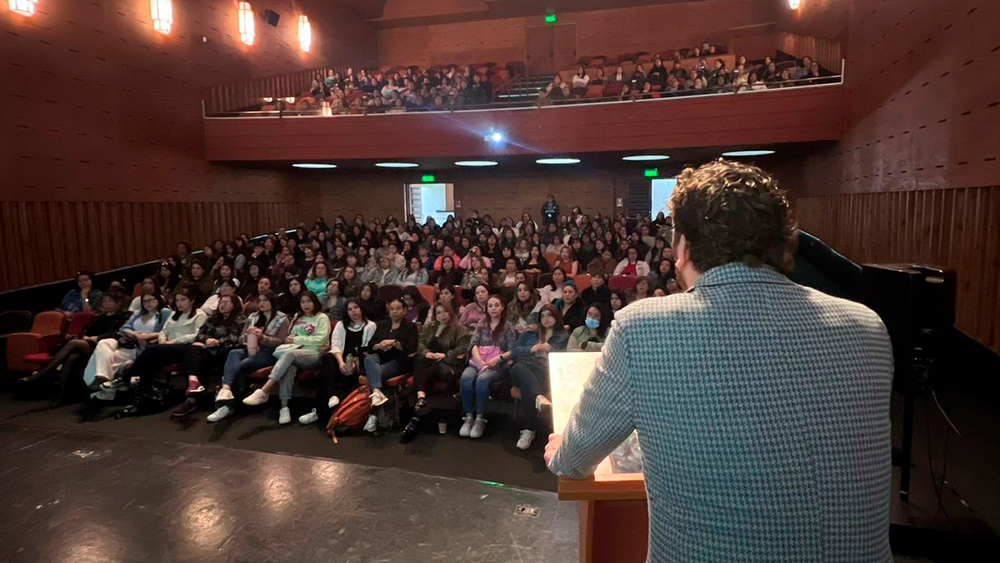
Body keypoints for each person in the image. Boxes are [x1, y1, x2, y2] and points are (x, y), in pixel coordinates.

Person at [545, 159, 894, 563]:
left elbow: (572, 461)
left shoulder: (644, 329)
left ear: (684, 249)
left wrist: (564, 448)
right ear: (788, 243)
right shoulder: (867, 327)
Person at [242, 290, 331, 426]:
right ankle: (284, 407)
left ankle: (264, 390)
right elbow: (290, 337)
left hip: (314, 353)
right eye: (302, 302)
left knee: (289, 355)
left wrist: (296, 340)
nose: (305, 305)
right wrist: (292, 339)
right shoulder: (297, 317)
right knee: (289, 364)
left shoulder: (321, 317)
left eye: (308, 301)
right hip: (295, 352)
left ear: (315, 302)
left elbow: (320, 340)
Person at [19, 293, 129, 399]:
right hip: (87, 344)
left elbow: (115, 334)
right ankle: (60, 396)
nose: (106, 304)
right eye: (104, 301)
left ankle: (42, 374)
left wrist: (91, 338)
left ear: (118, 303)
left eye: (110, 301)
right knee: (72, 357)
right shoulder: (99, 317)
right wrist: (81, 336)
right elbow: (86, 330)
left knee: (74, 343)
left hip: (103, 347)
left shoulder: (121, 317)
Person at [208, 291, 290, 423]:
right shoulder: (253, 317)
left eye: (265, 300)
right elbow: (240, 339)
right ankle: (226, 389)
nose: (261, 304)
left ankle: (228, 405)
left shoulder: (282, 319)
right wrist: (247, 336)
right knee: (234, 353)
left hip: (269, 352)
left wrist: (262, 337)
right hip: (251, 348)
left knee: (242, 365)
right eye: (259, 301)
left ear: (272, 302)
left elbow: (282, 342)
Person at [114, 285, 209, 394]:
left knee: (151, 350)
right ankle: (144, 390)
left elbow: (196, 335)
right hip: (169, 348)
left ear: (192, 300)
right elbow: (164, 331)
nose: (179, 303)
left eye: (183, 300)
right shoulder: (174, 314)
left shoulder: (199, 315)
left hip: (187, 348)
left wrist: (172, 342)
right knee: (151, 358)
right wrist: (163, 341)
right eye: (177, 300)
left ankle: (126, 377)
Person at [400, 303, 472, 442]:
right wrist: (428, 353)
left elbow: (463, 348)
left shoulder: (460, 329)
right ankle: (421, 400)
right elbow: (420, 344)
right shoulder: (430, 327)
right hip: (430, 362)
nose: (442, 315)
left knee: (425, 371)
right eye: (439, 313)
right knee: (420, 360)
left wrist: (445, 355)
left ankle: (417, 410)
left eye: (445, 312)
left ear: (450, 313)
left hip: (448, 365)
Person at [167, 294, 246, 417]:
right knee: (194, 353)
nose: (222, 305)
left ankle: (206, 396)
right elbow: (200, 334)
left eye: (226, 302)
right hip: (209, 350)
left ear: (234, 305)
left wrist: (214, 343)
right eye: (221, 302)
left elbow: (235, 339)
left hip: (226, 352)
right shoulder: (213, 318)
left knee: (201, 354)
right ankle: (193, 394)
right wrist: (207, 340)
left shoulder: (240, 319)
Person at [83, 293, 172, 399]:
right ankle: (101, 379)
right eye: (144, 301)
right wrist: (135, 334)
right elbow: (124, 328)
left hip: (146, 347)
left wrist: (148, 336)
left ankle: (101, 393)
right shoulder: (138, 313)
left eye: (151, 300)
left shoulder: (165, 312)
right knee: (103, 344)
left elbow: (169, 330)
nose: (148, 303)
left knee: (100, 358)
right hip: (130, 343)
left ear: (158, 300)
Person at [304, 299, 377, 426]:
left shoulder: (370, 326)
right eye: (350, 309)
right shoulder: (340, 325)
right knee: (326, 359)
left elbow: (366, 349)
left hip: (359, 363)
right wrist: (341, 363)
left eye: (356, 307)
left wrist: (353, 364)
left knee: (330, 376)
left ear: (361, 309)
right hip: (341, 360)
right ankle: (328, 400)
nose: (353, 311)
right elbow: (336, 346)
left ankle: (337, 414)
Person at [510, 303, 569, 450]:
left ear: (556, 317)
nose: (546, 319)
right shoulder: (531, 333)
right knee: (518, 367)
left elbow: (567, 358)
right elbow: (515, 351)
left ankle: (529, 430)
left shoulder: (562, 336)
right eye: (542, 316)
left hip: (547, 373)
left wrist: (552, 350)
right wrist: (531, 348)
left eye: (549, 315)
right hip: (526, 369)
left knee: (526, 386)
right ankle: (539, 398)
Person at [459, 294, 516, 439]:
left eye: (497, 305)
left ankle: (479, 418)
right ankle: (468, 417)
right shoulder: (482, 323)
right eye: (490, 306)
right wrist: (479, 361)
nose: (493, 308)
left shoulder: (508, 326)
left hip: (498, 365)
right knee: (466, 377)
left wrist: (498, 358)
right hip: (479, 361)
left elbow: (513, 350)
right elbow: (473, 344)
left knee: (482, 380)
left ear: (503, 307)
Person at [361, 298, 418, 433]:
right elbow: (370, 346)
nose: (394, 311)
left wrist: (396, 344)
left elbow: (411, 349)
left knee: (377, 372)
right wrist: (379, 345)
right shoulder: (382, 325)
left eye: (398, 309)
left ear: (404, 311)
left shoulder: (410, 327)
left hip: (398, 361)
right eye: (392, 309)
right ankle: (376, 393)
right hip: (379, 357)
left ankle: (374, 414)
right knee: (369, 360)